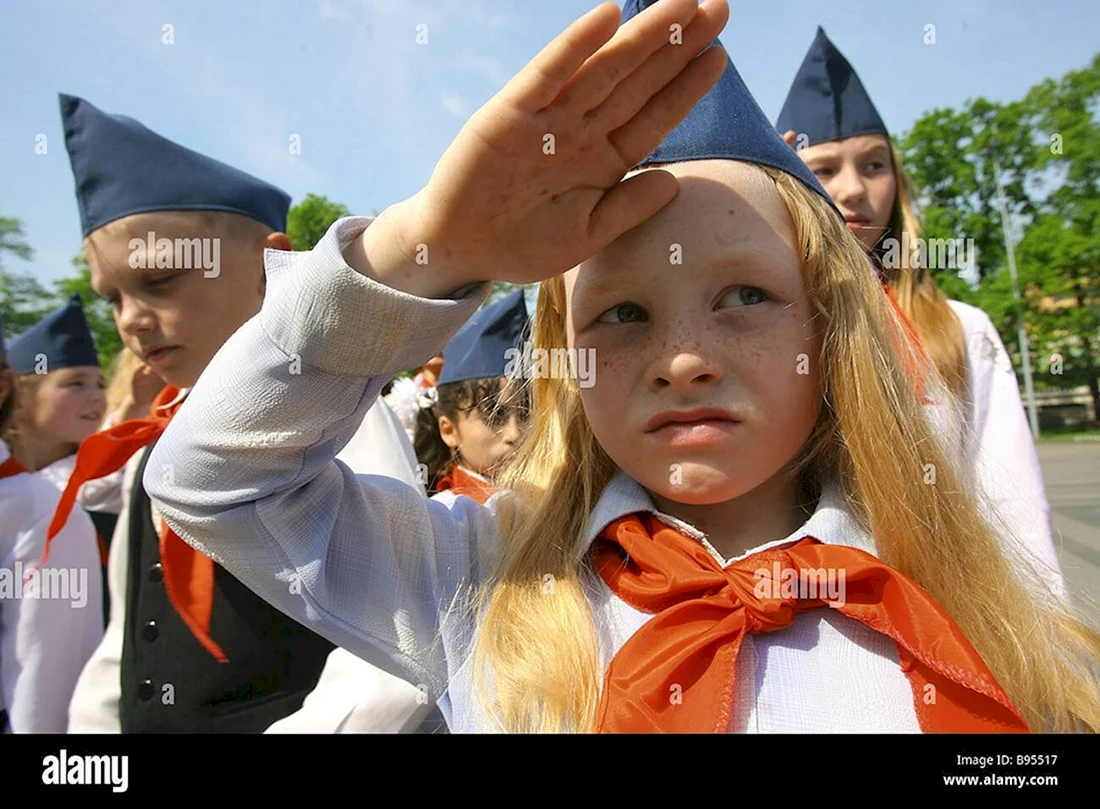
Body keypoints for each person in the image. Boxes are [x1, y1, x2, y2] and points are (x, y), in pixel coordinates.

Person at [145, 0, 1100, 733]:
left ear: (832, 329)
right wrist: (425, 249)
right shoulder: (480, 579)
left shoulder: (966, 602)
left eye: (746, 297)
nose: (682, 360)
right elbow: (215, 484)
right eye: (622, 313)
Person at [55, 93, 436, 733]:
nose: (130, 319)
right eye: (112, 297)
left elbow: (405, 635)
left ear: (269, 266)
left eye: (157, 281)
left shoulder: (327, 419)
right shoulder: (148, 448)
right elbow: (128, 635)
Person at [775, 26, 1063, 596]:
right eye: (825, 169)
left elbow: (1016, 510)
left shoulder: (963, 330)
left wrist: (1047, 657)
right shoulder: (766, 329)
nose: (854, 190)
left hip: (951, 612)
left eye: (875, 165)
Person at [0, 315, 103, 732]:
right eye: (75, 383)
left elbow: (40, 694)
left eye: (98, 383)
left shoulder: (43, 509)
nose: (98, 397)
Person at [414, 289, 530, 501]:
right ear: (449, 431)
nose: (515, 434)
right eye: (495, 416)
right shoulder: (447, 516)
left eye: (526, 414)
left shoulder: (552, 500)